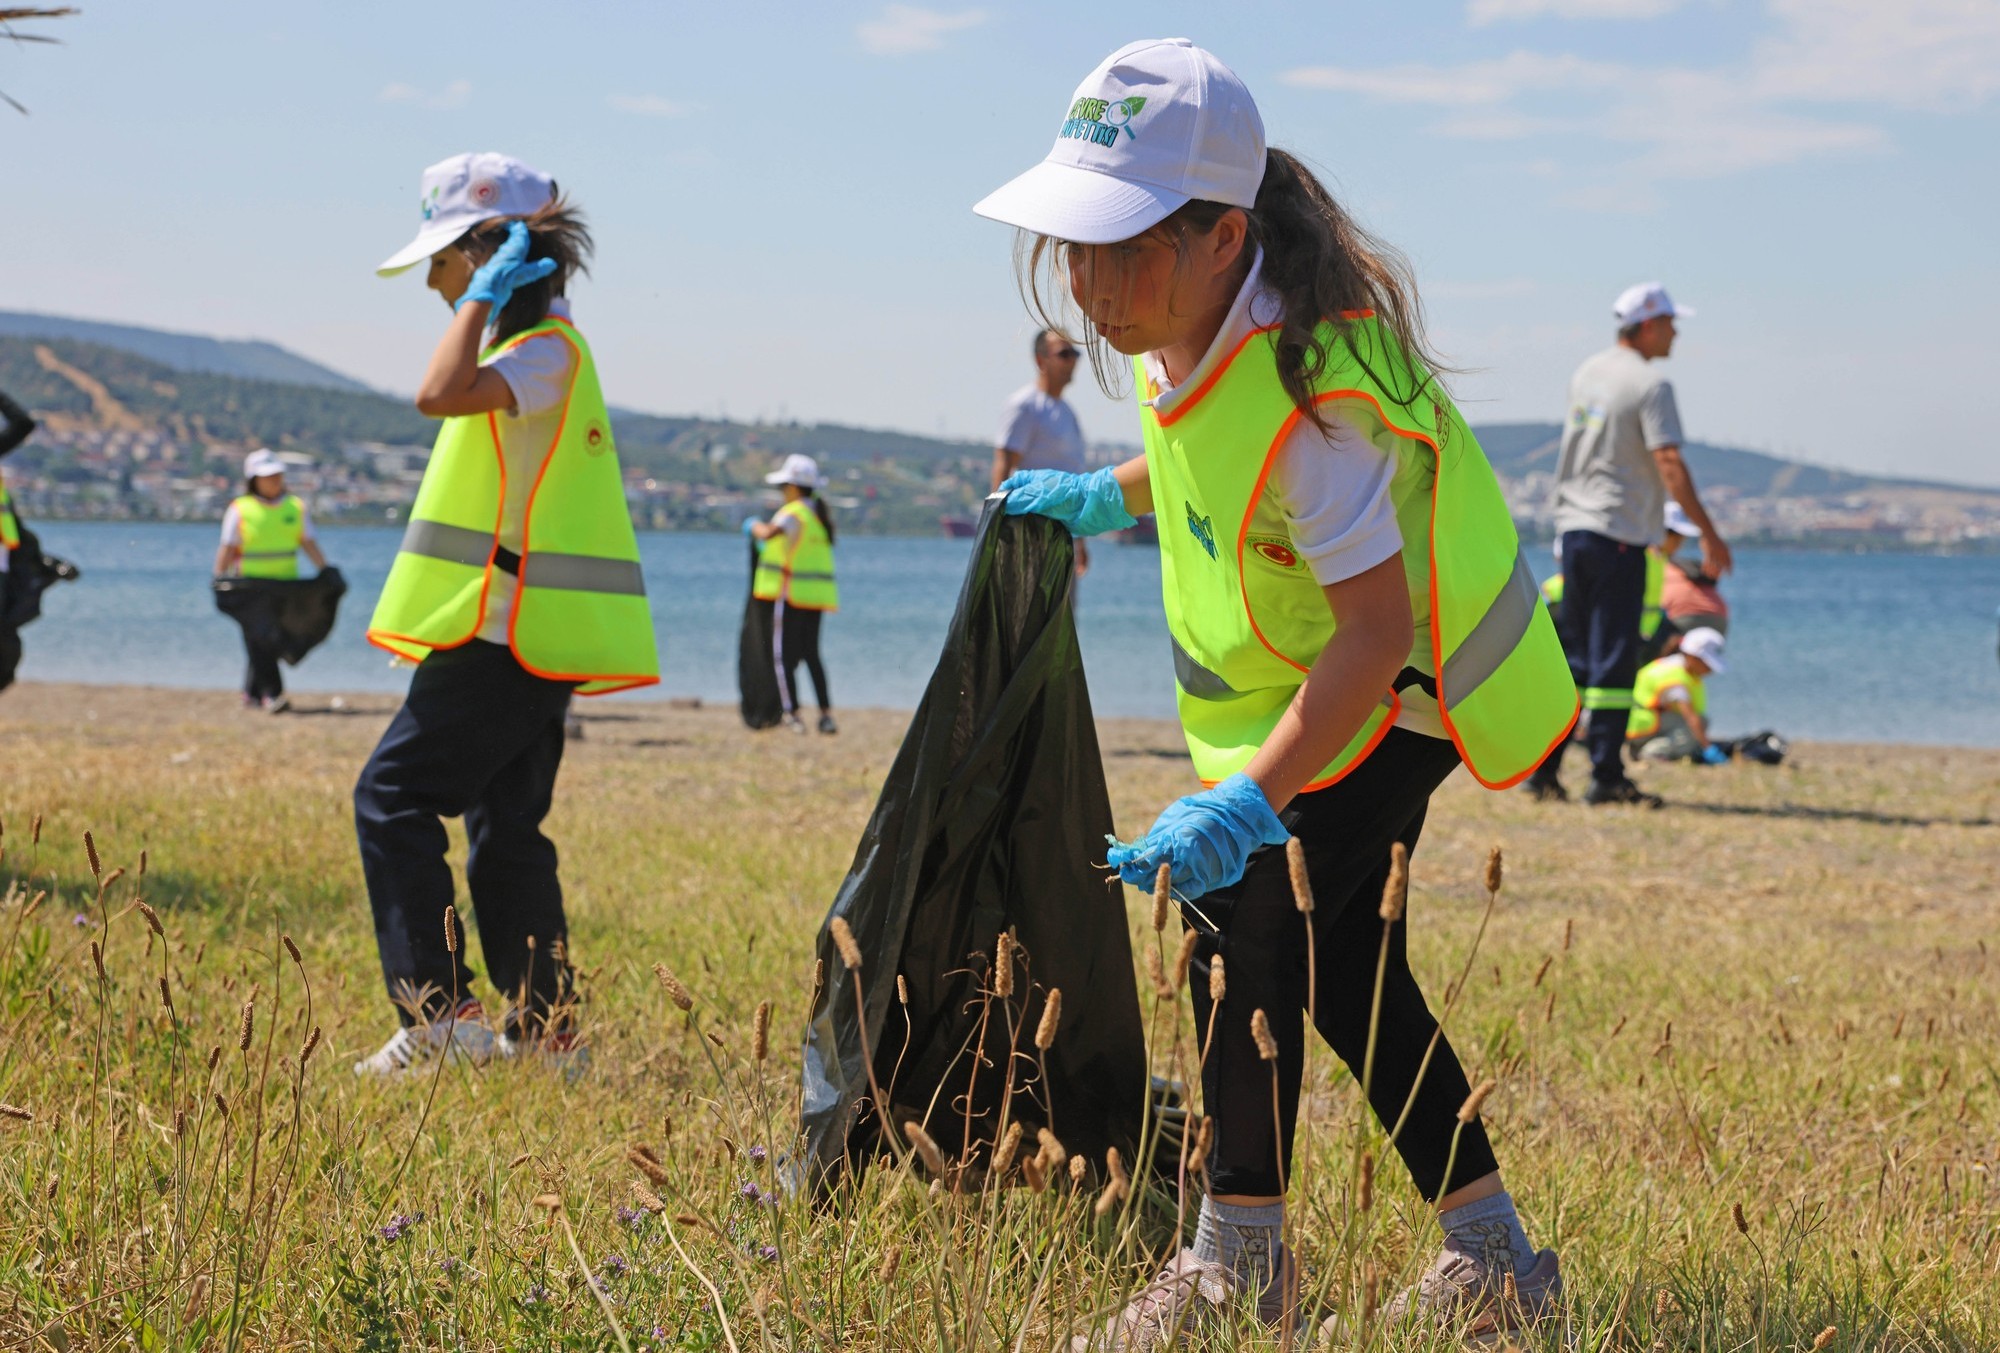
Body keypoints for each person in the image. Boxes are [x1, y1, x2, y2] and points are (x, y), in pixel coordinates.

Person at [974, 39, 1576, 1347]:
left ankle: (1236, 1267)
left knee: (1242, 926)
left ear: (1222, 237)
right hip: (1335, 684)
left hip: (1396, 690)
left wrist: (1246, 803)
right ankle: (1496, 1259)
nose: (1088, 285)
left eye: (1119, 248)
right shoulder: (1185, 329)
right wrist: (1105, 496)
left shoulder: (1317, 398)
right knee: (1346, 965)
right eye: (1072, 247)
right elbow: (1199, 443)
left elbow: (1370, 631)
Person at [353, 152, 658, 1076]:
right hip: (524, 636)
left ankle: (440, 1018)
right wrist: (486, 299)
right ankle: (548, 1033)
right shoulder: (534, 352)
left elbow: (435, 394)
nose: (437, 283)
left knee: (391, 798)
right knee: (505, 830)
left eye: (446, 260)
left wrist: (483, 296)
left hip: (503, 638)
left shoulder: (543, 355)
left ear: (494, 254)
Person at [1523, 281, 1733, 808]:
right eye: (1671, 323)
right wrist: (1709, 533)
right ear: (1648, 325)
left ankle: (1544, 772)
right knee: (1614, 664)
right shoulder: (1650, 384)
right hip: (1619, 534)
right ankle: (1607, 778)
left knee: (1575, 659)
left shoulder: (1588, 373)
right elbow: (1668, 461)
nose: (1676, 333)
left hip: (1575, 532)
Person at [213, 449, 328, 711]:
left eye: (277, 475)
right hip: (249, 587)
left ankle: (251, 693)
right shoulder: (240, 509)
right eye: (267, 476)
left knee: (264, 640)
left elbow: (308, 542)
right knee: (263, 636)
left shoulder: (295, 507)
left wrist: (326, 569)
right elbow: (227, 547)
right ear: (253, 479)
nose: (274, 480)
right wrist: (218, 576)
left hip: (286, 587)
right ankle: (272, 693)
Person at [747, 452, 840, 734]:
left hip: (791, 596)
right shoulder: (818, 516)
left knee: (782, 656)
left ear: (793, 487)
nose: (781, 492)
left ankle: (792, 713)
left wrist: (751, 525)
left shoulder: (793, 513)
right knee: (812, 655)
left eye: (782, 486)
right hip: (816, 598)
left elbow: (768, 533)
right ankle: (826, 715)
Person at [993, 328, 1093, 575]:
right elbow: (1004, 466)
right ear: (1041, 361)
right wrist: (996, 529)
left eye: (1075, 354)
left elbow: (1075, 475)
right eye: (1064, 354)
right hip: (1031, 532)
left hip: (1064, 535)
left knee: (1062, 601)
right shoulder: (1024, 406)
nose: (1072, 361)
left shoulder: (1068, 412)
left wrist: (1080, 540)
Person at [1627, 627, 1728, 763]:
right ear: (1693, 657)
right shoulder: (1675, 678)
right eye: (1708, 664)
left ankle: (1643, 747)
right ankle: (1653, 752)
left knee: (1695, 724)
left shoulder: (1674, 664)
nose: (1710, 671)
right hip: (1641, 725)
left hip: (1638, 722)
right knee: (1698, 724)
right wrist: (1708, 748)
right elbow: (1691, 718)